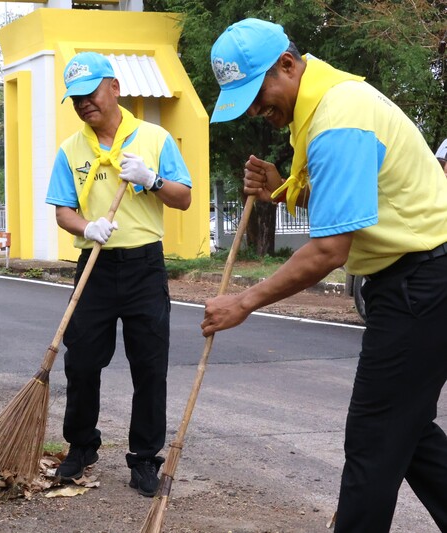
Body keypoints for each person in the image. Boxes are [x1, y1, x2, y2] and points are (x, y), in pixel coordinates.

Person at [203, 18, 447, 531]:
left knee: (374, 438)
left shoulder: (338, 118)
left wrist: (242, 303)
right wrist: (281, 187)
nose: (255, 109)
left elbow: (328, 250)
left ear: (287, 65)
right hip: (417, 279)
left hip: (421, 282)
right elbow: (355, 200)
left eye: (258, 93)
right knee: (406, 430)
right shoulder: (323, 103)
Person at [45, 51, 192, 497]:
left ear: (114, 87)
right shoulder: (71, 150)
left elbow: (183, 197)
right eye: (75, 99)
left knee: (149, 365)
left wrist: (151, 179)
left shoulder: (154, 137)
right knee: (83, 360)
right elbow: (63, 211)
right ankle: (82, 446)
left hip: (144, 264)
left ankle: (144, 458)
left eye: (90, 93)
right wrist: (87, 227)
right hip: (95, 265)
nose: (83, 104)